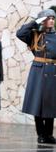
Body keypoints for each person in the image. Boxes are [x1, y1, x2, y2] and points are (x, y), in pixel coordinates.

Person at [16, 9, 56, 144]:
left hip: (53, 73)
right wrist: (35, 22)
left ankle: (49, 134)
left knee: (51, 104)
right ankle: (41, 134)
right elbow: (20, 33)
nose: (51, 20)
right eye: (48, 18)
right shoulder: (34, 35)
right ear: (43, 21)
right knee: (37, 103)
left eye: (53, 18)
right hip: (38, 72)